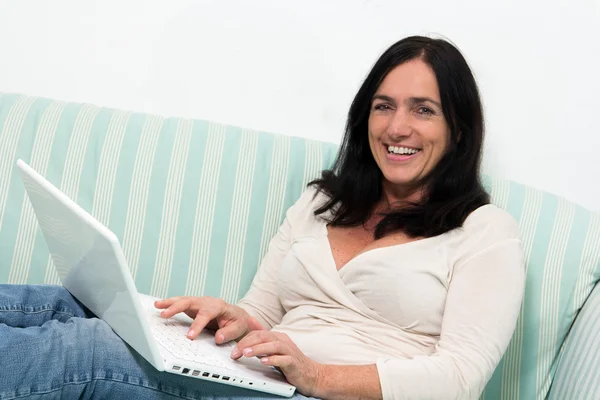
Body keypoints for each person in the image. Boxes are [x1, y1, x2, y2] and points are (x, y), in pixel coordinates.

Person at [0, 35, 525, 400]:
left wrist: (318, 374)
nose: (397, 127)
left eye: (423, 109)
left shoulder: (485, 233)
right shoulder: (324, 203)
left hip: (324, 394)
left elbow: (460, 380)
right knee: (66, 305)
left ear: (459, 129)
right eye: (384, 106)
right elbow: (262, 314)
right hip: (261, 375)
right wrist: (228, 316)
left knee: (87, 348)